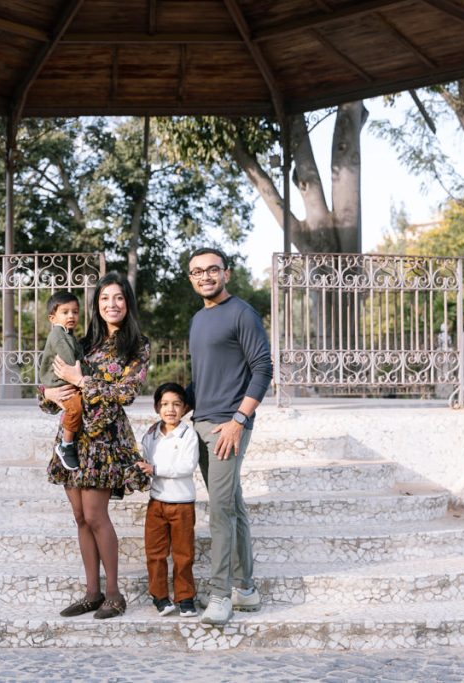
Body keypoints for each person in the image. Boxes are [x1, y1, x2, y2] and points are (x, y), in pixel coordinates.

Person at [40, 272, 150, 620]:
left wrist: (81, 380)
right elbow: (51, 385)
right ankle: (92, 592)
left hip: (104, 440)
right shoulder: (81, 342)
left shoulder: (137, 346)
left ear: (127, 302)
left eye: (118, 298)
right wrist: (49, 394)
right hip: (72, 438)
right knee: (79, 517)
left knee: (95, 515)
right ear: (96, 305)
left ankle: (114, 594)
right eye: (104, 299)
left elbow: (125, 394)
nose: (111, 304)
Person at [185, 246, 272, 625]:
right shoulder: (196, 320)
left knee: (219, 509)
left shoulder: (242, 313)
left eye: (212, 270)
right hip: (201, 422)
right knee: (232, 505)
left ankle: (220, 595)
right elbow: (203, 378)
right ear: (191, 278)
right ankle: (246, 589)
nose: (205, 276)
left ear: (227, 273)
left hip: (227, 426)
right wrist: (173, 410)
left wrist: (239, 420)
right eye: (197, 272)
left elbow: (263, 369)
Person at [137, 382, 200, 618]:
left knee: (183, 555)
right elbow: (144, 461)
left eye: (176, 404)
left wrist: (154, 469)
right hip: (156, 503)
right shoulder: (151, 434)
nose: (170, 409)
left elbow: (186, 466)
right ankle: (160, 597)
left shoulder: (188, 434)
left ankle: (185, 598)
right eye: (164, 404)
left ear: (185, 408)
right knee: (155, 553)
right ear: (156, 407)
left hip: (182, 503)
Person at [39, 291, 86, 470]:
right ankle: (65, 445)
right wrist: (83, 374)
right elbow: (69, 360)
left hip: (66, 379)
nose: (71, 316)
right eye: (65, 312)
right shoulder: (59, 335)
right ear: (53, 318)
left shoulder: (68, 334)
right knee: (75, 408)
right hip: (59, 382)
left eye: (75, 312)